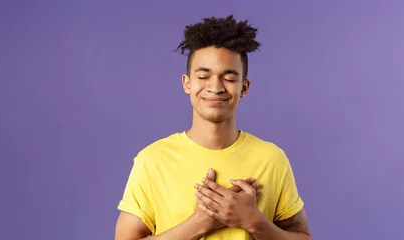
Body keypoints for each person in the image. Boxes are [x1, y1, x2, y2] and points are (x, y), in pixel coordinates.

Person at [115, 15, 311, 240]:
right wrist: (201, 221)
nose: (215, 87)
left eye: (228, 77)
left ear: (244, 87)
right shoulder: (152, 161)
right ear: (187, 83)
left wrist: (252, 221)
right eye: (203, 76)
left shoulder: (272, 159)